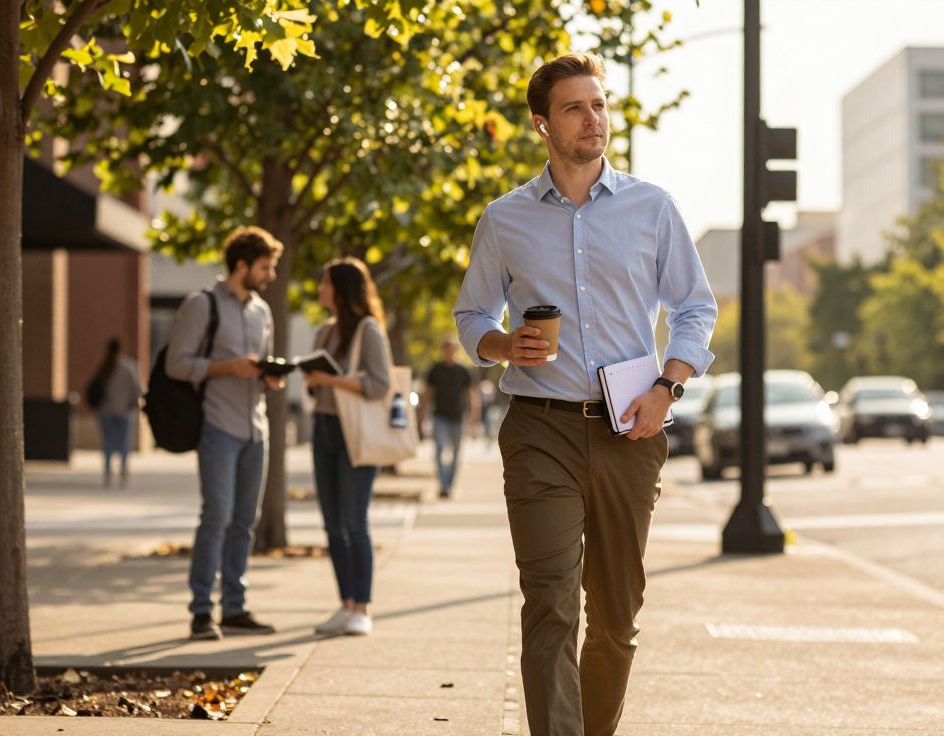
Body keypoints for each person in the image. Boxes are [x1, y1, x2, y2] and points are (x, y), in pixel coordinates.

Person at [453, 52, 717, 736]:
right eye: (574, 108)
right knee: (550, 605)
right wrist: (503, 344)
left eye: (598, 105)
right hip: (541, 429)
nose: (592, 118)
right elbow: (472, 316)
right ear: (542, 124)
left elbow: (695, 307)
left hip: (631, 431)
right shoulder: (505, 219)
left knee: (616, 619)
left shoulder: (652, 208)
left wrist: (668, 386)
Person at [166, 226, 286, 641]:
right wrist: (226, 367)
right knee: (216, 517)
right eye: (265, 267)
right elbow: (177, 364)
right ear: (241, 265)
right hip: (218, 426)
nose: (271, 276)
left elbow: (261, 364)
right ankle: (202, 611)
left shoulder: (261, 311)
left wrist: (270, 377)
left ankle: (234, 606)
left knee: (244, 522)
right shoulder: (202, 305)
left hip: (256, 429)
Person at [305, 257, 392, 638]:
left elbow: (380, 384)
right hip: (323, 428)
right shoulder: (324, 332)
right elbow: (316, 386)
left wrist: (331, 380)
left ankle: (363, 607)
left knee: (354, 522)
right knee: (332, 524)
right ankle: (345, 603)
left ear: (340, 289)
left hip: (355, 432)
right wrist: (313, 381)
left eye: (325, 282)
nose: (320, 289)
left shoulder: (367, 330)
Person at [420, 338, 481, 499]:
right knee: (439, 450)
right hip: (439, 417)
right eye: (446, 349)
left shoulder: (463, 371)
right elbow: (427, 393)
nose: (448, 353)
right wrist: (421, 415)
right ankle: (443, 485)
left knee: (456, 453)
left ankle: (450, 484)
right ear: (442, 351)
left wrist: (474, 419)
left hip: (459, 417)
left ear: (456, 351)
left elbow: (472, 396)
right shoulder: (435, 370)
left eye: (451, 350)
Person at [88, 337, 142, 487]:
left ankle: (108, 473)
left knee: (108, 442)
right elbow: (137, 389)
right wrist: (133, 403)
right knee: (124, 442)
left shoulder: (104, 367)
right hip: (124, 410)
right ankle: (123, 471)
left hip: (105, 410)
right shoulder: (129, 367)